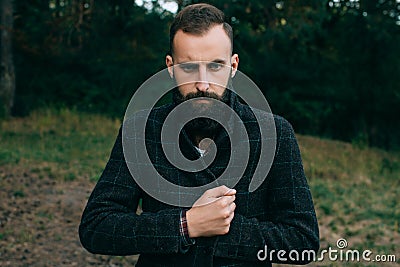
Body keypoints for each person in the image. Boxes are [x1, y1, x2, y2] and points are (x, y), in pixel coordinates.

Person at [79, 3, 319, 267]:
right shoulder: (140, 130)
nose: (203, 83)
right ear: (170, 67)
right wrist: (185, 224)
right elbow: (96, 227)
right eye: (189, 67)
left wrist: (222, 228)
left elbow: (303, 241)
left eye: (216, 67)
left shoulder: (274, 134)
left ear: (233, 66)